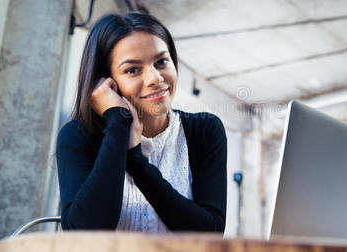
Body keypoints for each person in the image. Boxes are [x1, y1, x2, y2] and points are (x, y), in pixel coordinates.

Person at [56, 12, 227, 233]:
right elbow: (84, 233)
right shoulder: (77, 136)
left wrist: (136, 162)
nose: (155, 78)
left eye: (162, 61)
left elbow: (209, 235)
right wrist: (117, 123)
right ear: (106, 83)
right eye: (133, 70)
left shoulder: (205, 130)